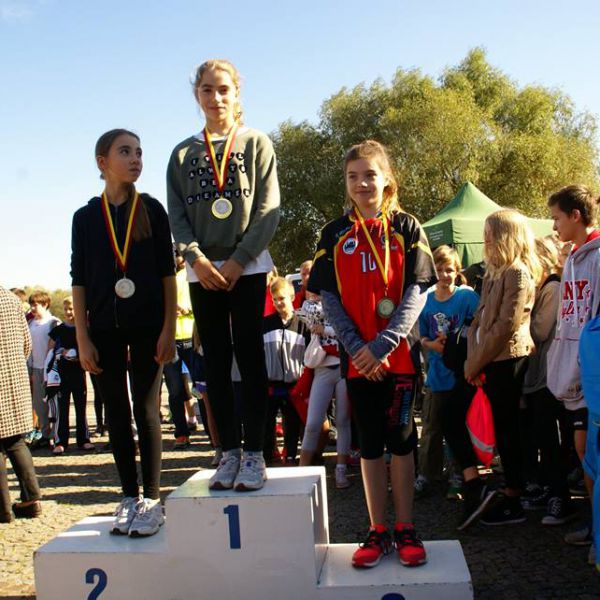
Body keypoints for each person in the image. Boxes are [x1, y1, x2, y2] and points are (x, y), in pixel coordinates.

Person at [309, 140, 437, 569]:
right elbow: (328, 298)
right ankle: (377, 529)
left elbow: (417, 291)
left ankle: (406, 528)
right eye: (353, 177)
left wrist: (383, 345)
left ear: (386, 179)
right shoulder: (333, 233)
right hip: (358, 360)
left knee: (401, 442)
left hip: (398, 358)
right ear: (346, 183)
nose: (362, 183)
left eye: (369, 175)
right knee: (368, 444)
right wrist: (357, 348)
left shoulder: (407, 226)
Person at [167, 59, 280, 492]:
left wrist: (240, 259)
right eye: (207, 90)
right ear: (197, 94)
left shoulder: (256, 142)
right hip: (202, 271)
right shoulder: (182, 153)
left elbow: (269, 208)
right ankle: (228, 451)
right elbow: (177, 215)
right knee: (213, 361)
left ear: (237, 92)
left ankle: (255, 453)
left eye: (224, 89)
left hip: (247, 266)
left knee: (250, 358)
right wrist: (196, 259)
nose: (216, 98)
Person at [71, 128, 176, 537]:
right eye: (126, 152)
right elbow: (79, 279)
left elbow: (167, 273)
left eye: (139, 153)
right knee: (115, 411)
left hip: (149, 325)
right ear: (103, 162)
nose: (136, 159)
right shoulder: (85, 217)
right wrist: (82, 337)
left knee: (147, 410)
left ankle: (151, 499)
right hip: (103, 328)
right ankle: (129, 496)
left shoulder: (152, 210)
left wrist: (168, 328)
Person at [464, 209, 540, 526]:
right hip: (489, 360)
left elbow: (505, 326)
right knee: (503, 427)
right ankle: (508, 487)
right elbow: (479, 322)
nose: (485, 240)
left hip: (508, 360)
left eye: (490, 234)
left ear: (505, 236)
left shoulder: (517, 273)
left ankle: (514, 495)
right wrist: (473, 361)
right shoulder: (496, 272)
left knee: (509, 430)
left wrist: (474, 363)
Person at [546, 185, 600, 561]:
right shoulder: (570, 260)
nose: (554, 226)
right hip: (574, 372)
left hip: (592, 373)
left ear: (575, 216)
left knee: (588, 452)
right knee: (583, 453)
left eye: (557, 218)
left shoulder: (597, 257)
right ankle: (594, 526)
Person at [417, 246, 479, 498]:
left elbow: (478, 327)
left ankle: (458, 473)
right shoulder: (426, 300)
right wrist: (431, 344)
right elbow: (420, 335)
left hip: (461, 373)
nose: (444, 275)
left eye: (449, 270)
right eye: (439, 270)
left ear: (457, 271)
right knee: (431, 426)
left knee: (458, 427)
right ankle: (426, 474)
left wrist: (458, 344)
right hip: (436, 373)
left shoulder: (467, 298)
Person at [521, 238, 574, 524]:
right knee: (540, 436)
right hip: (539, 374)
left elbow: (540, 331)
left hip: (549, 375)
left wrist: (520, 318)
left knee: (550, 438)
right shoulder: (543, 288)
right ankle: (549, 489)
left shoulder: (552, 288)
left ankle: (560, 496)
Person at [298, 292, 351, 489]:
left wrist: (326, 329)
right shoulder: (312, 304)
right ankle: (302, 470)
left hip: (343, 366)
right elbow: (310, 314)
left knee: (343, 420)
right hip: (322, 367)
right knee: (313, 422)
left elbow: (347, 328)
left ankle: (341, 468)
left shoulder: (342, 300)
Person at [0, 286, 42, 523]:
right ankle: (31, 499)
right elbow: (27, 343)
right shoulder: (10, 298)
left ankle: (3, 509)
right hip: (14, 378)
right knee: (15, 441)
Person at [263, 277, 309, 464]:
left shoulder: (303, 325)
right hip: (270, 383)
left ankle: (290, 455)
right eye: (274, 299)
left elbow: (309, 356)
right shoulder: (265, 324)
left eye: (281, 298)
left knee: (292, 422)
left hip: (294, 384)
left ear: (292, 297)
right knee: (267, 422)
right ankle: (267, 454)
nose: (278, 303)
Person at [47, 296, 94, 454]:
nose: (68, 312)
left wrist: (79, 355)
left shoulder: (84, 330)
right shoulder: (58, 330)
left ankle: (84, 439)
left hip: (79, 374)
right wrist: (61, 352)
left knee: (81, 406)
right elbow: (50, 351)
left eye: (72, 309)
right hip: (61, 376)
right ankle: (60, 441)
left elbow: (90, 348)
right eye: (66, 309)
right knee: (62, 408)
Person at [164, 249, 196, 450]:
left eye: (178, 255)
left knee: (201, 387)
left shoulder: (192, 273)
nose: (176, 260)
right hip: (171, 340)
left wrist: (187, 309)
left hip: (192, 337)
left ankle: (215, 435)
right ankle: (181, 434)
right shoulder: (162, 276)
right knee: (175, 390)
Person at [27, 290, 60, 447]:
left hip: (51, 370)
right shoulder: (30, 324)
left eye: (36, 305)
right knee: (39, 405)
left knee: (53, 404)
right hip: (36, 368)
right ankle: (45, 435)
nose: (33, 308)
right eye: (31, 305)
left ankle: (56, 435)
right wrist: (31, 369)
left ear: (45, 304)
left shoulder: (53, 322)